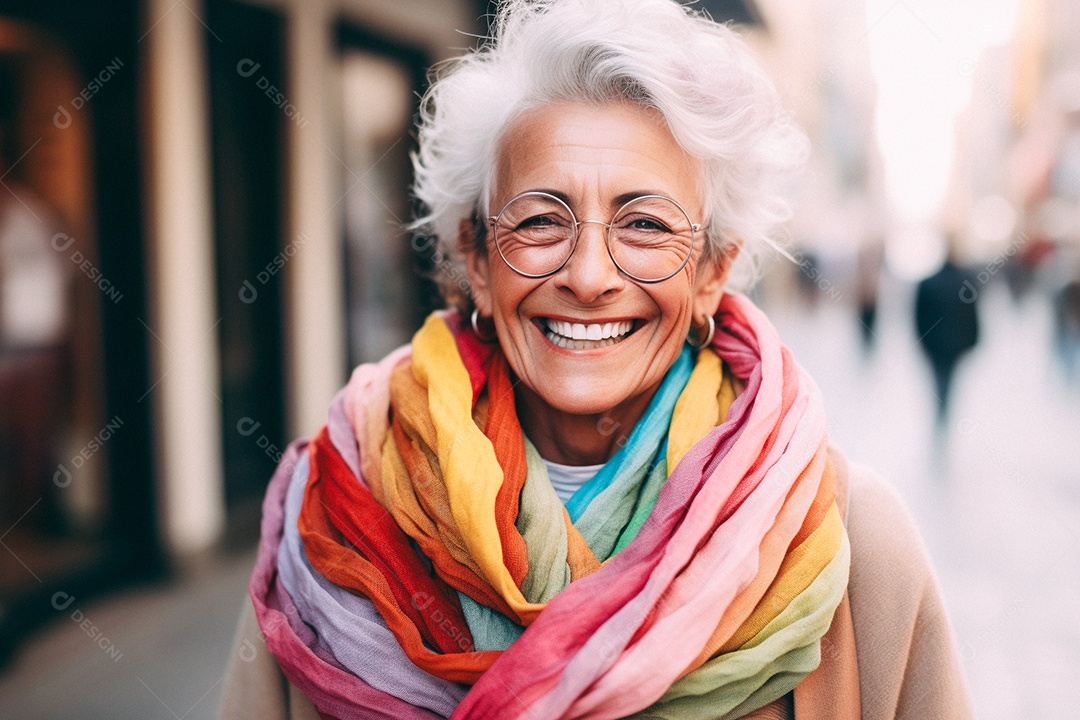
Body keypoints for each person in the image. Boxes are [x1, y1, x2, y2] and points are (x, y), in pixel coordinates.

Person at [221, 1, 973, 717]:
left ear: (712, 270)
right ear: (475, 258)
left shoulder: (850, 537)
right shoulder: (333, 520)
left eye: (644, 224)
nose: (588, 276)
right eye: (541, 220)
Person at [914, 250, 980, 425]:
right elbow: (972, 316)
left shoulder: (928, 282)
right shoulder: (965, 282)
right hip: (955, 345)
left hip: (935, 345)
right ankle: (943, 411)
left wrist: (922, 342)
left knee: (940, 380)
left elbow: (919, 317)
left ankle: (941, 410)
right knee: (948, 380)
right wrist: (973, 340)